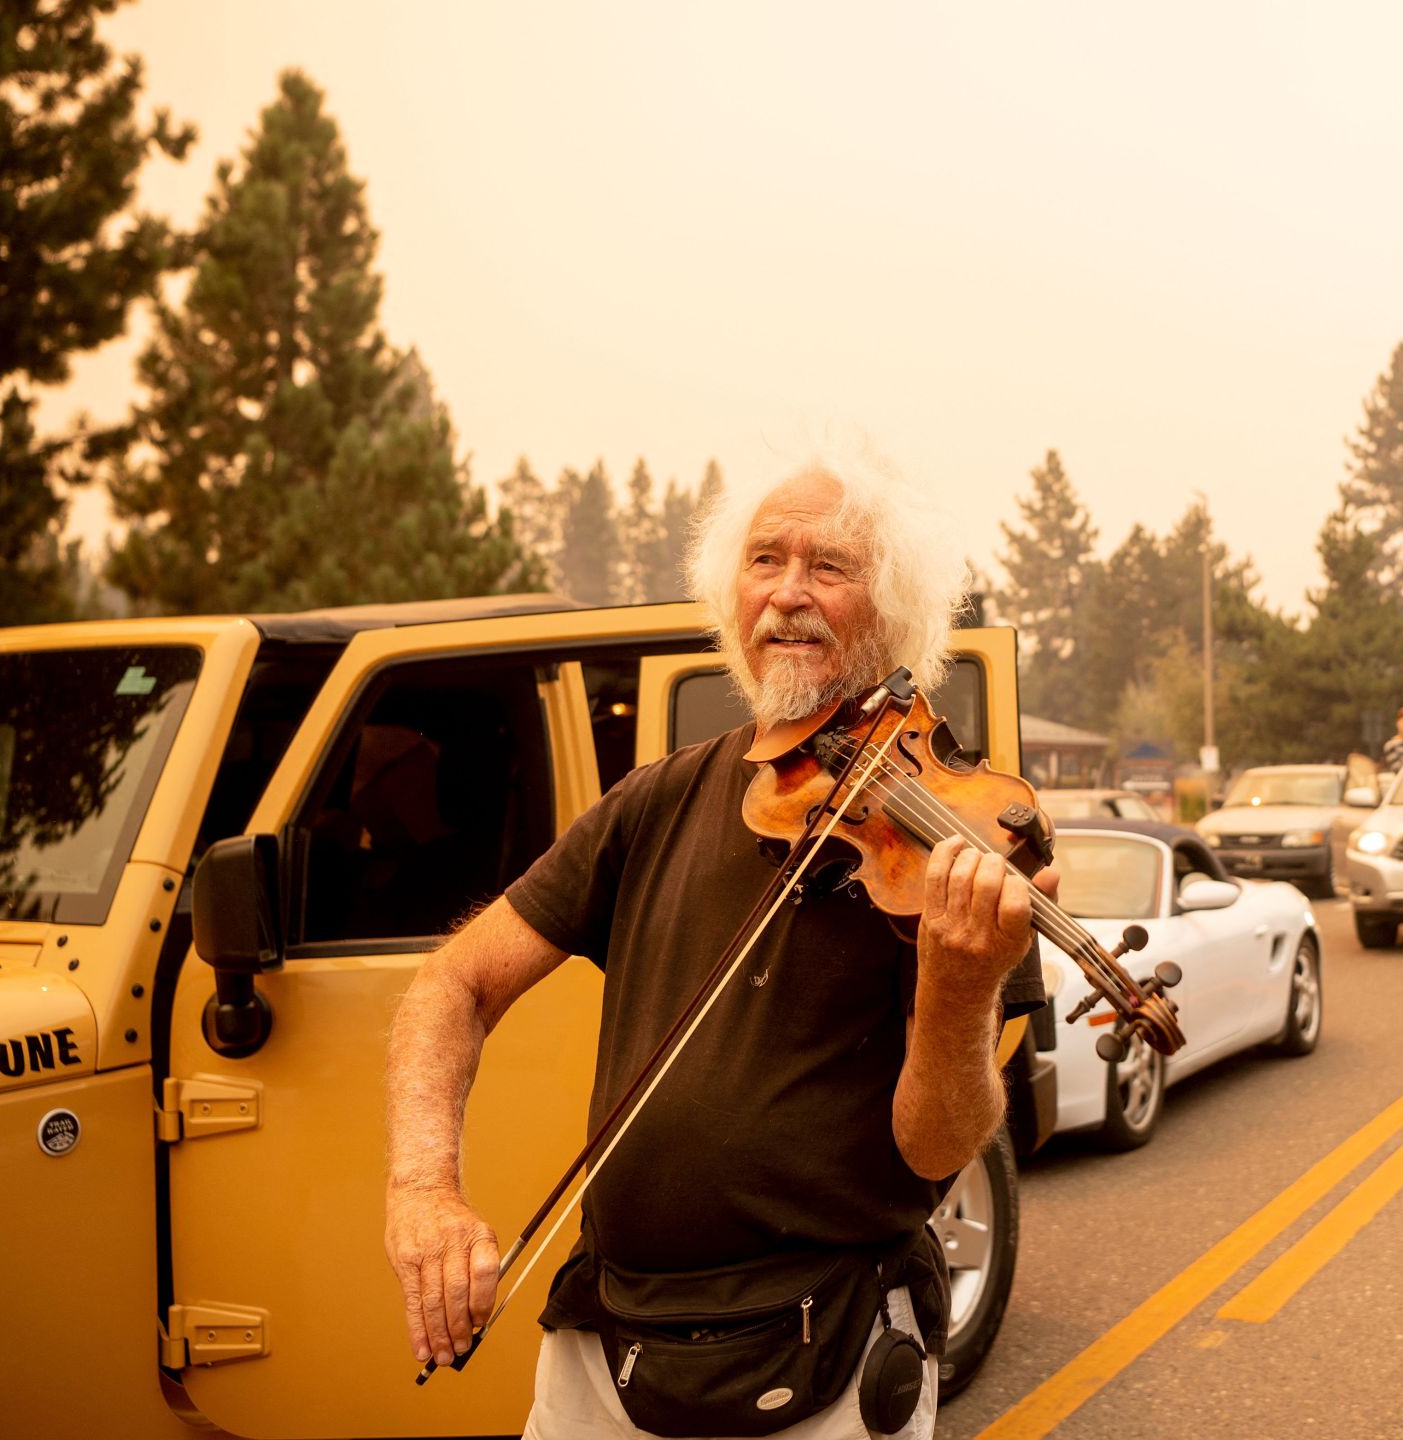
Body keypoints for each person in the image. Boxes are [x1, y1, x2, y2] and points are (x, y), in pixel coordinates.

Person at [383, 449, 1049, 1440]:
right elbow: (454, 982)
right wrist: (422, 1192)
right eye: (764, 561)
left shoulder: (958, 843)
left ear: (896, 611)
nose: (787, 593)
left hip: (826, 1349)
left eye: (829, 567)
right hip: (605, 1340)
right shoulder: (656, 798)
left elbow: (939, 1148)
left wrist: (958, 985)